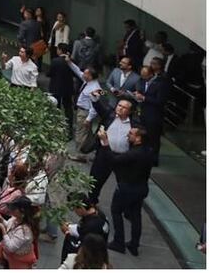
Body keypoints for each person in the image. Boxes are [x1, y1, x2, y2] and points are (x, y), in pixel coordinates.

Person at [100, 126, 153, 256]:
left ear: (138, 138)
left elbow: (114, 160)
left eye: (131, 133)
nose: (128, 135)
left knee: (116, 211)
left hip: (127, 187)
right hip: (141, 187)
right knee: (136, 216)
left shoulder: (133, 154)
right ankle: (134, 244)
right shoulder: (148, 151)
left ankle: (119, 242)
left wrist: (105, 143)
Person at [87, 97, 135, 203]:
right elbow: (99, 107)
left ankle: (123, 206)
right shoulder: (109, 115)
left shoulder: (134, 124)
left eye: (124, 107)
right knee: (95, 181)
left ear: (130, 111)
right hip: (104, 154)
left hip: (123, 157)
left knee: (123, 184)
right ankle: (92, 202)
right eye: (119, 105)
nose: (120, 108)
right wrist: (95, 99)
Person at [59, 195, 109, 265]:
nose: (75, 212)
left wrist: (67, 232)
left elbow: (78, 246)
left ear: (81, 208)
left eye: (75, 209)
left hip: (91, 256)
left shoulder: (91, 226)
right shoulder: (99, 214)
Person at [0, 196, 38, 269]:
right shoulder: (16, 219)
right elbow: (9, 226)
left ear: (22, 211)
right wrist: (1, 219)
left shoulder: (24, 231)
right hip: (10, 258)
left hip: (19, 261)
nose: (11, 210)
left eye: (14, 208)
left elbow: (10, 247)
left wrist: (3, 230)